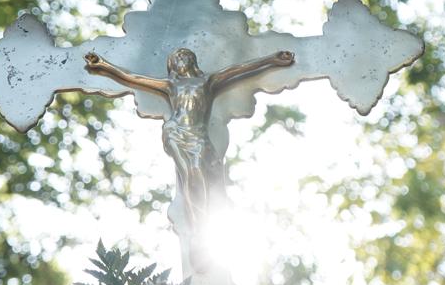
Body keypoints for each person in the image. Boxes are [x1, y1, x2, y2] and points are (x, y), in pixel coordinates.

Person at [84, 47, 295, 241]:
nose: (181, 61)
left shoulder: (208, 81)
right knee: (187, 172)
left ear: (192, 61)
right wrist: (103, 65)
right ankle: (197, 231)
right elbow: (133, 78)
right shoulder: (171, 85)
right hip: (175, 131)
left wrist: (272, 59)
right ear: (172, 65)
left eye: (184, 57)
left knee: (197, 170)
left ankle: (202, 227)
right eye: (176, 59)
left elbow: (239, 69)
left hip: (198, 135)